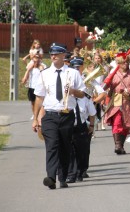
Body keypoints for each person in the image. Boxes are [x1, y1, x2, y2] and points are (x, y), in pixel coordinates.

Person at [32, 43, 86, 190]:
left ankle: (62, 178)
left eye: (56, 54)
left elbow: (83, 93)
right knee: (51, 145)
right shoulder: (45, 74)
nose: (53, 56)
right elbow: (39, 98)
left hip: (66, 115)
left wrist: (74, 91)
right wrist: (36, 118)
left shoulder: (73, 73)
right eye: (51, 54)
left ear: (63, 56)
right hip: (49, 115)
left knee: (64, 146)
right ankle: (50, 176)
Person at [66, 56, 97, 183]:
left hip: (82, 125)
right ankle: (71, 174)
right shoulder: (66, 97)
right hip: (69, 124)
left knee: (82, 151)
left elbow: (92, 113)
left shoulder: (86, 98)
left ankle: (81, 171)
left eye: (78, 67)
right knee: (70, 150)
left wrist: (91, 127)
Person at [103, 52, 130, 154]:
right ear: (118, 63)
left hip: (127, 103)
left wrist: (129, 90)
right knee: (117, 122)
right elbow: (104, 87)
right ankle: (117, 145)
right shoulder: (113, 74)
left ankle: (121, 146)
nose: (125, 64)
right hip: (115, 101)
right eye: (123, 62)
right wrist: (108, 83)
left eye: (126, 62)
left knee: (126, 125)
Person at [21, 54, 46, 119]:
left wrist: (41, 69)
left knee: (40, 102)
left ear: (40, 59)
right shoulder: (31, 66)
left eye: (38, 58)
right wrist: (25, 79)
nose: (36, 60)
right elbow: (27, 71)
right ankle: (34, 114)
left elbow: (45, 76)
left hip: (39, 87)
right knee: (33, 102)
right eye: (35, 58)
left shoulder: (43, 66)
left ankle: (39, 115)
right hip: (31, 86)